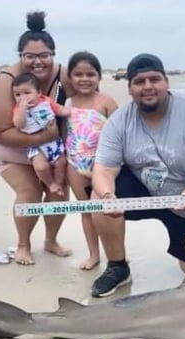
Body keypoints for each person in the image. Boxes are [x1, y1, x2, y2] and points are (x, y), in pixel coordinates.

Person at [90, 53, 185, 297]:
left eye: (155, 79)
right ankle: (117, 266)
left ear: (166, 82)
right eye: (139, 82)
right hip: (146, 188)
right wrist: (108, 194)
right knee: (98, 197)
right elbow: (104, 168)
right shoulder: (119, 122)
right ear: (130, 88)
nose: (148, 87)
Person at [0, 11, 74, 265]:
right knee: (30, 190)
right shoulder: (3, 82)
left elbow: (86, 97)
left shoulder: (62, 75)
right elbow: (3, 132)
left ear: (53, 54)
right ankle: (23, 244)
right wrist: (48, 135)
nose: (37, 62)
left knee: (59, 190)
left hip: (48, 142)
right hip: (5, 144)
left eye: (44, 55)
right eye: (29, 56)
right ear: (20, 56)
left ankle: (51, 240)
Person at [65, 51, 118, 270]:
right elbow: (63, 134)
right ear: (70, 77)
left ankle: (115, 256)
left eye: (90, 74)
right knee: (86, 211)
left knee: (105, 211)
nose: (84, 79)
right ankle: (94, 255)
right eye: (78, 74)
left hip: (102, 166)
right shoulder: (67, 103)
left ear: (99, 77)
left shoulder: (107, 102)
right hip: (74, 164)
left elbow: (118, 136)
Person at [12, 72, 70, 196]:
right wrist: (22, 109)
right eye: (17, 95)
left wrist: (68, 112)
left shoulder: (45, 101)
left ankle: (58, 183)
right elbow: (19, 124)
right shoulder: (18, 108)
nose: (22, 98)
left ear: (39, 92)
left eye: (27, 93)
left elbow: (58, 109)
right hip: (35, 144)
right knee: (41, 167)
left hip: (53, 141)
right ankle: (50, 183)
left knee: (61, 163)